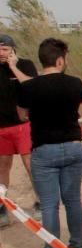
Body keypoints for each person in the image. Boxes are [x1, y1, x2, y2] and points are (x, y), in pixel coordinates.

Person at [16, 38, 82, 248]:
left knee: (49, 205)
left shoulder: (28, 88)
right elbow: (79, 107)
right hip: (73, 146)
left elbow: (22, 116)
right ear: (60, 60)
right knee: (73, 200)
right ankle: (77, 246)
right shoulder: (75, 83)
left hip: (44, 149)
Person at [0, 34, 39, 226]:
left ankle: (40, 202)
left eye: (5, 49)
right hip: (1, 127)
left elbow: (35, 86)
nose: (1, 53)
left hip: (22, 124)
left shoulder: (25, 64)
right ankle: (1, 207)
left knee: (30, 164)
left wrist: (13, 66)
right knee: (2, 167)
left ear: (13, 49)